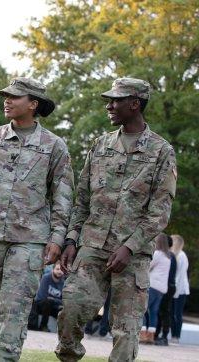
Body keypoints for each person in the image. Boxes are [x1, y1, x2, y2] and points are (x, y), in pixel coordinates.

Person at [56, 78, 177, 362]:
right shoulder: (100, 145)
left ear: (135, 104)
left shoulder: (161, 152)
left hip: (132, 256)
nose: (108, 106)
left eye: (116, 100)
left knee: (126, 330)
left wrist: (130, 246)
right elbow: (82, 199)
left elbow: (160, 212)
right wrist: (72, 239)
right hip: (92, 246)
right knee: (70, 310)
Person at [0, 77, 74, 361]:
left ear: (33, 104)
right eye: (6, 96)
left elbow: (63, 197)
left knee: (14, 312)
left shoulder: (54, 146)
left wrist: (57, 238)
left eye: (15, 97)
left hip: (29, 242)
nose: (7, 101)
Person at [140, 233, 171, 344]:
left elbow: (148, 265)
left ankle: (142, 334)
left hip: (152, 285)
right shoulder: (168, 257)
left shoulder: (157, 254)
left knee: (142, 309)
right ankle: (151, 336)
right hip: (161, 288)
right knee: (153, 312)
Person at [28, 260, 65, 332]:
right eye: (57, 269)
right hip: (40, 304)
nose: (59, 271)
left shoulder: (63, 282)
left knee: (64, 309)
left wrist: (54, 300)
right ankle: (43, 326)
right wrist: (55, 300)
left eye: (61, 270)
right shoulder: (46, 278)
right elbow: (43, 296)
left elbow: (62, 301)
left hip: (54, 306)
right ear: (53, 269)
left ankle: (62, 331)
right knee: (48, 302)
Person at [154, 234, 177, 346]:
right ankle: (158, 334)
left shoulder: (168, 256)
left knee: (163, 312)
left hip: (166, 286)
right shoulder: (170, 255)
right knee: (161, 311)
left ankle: (163, 336)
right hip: (168, 285)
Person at [170, 234, 190, 344]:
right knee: (172, 313)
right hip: (175, 289)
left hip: (180, 290)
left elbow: (181, 276)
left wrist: (176, 292)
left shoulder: (182, 256)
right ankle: (173, 334)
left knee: (177, 314)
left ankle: (176, 336)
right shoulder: (175, 255)